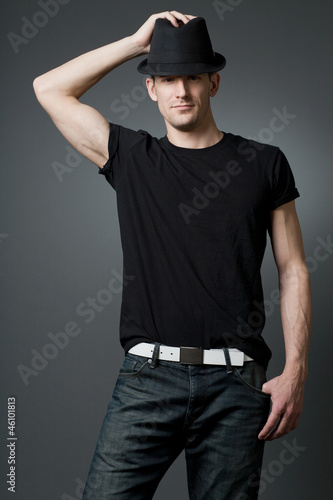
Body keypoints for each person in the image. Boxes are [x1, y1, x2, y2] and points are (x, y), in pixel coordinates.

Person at [33, 10, 312, 500]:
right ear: (150, 89)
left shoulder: (264, 163)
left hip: (237, 383)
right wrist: (136, 43)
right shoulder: (131, 158)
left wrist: (296, 371)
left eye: (192, 78)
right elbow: (48, 88)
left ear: (214, 83)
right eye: (167, 79)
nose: (181, 91)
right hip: (147, 379)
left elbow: (293, 270)